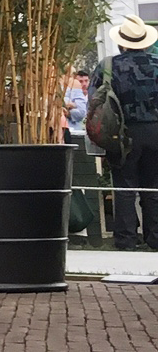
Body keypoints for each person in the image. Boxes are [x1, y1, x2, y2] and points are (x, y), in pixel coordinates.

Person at [101, 17, 158, 251]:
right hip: (156, 130)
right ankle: (155, 239)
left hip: (121, 134)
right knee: (154, 187)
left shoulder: (109, 66)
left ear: (121, 42)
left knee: (124, 188)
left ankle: (126, 241)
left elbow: (96, 101)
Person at [63, 68, 90, 147]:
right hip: (74, 132)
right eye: (80, 81)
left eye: (86, 81)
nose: (84, 84)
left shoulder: (93, 97)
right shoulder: (71, 93)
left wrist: (68, 111)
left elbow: (81, 112)